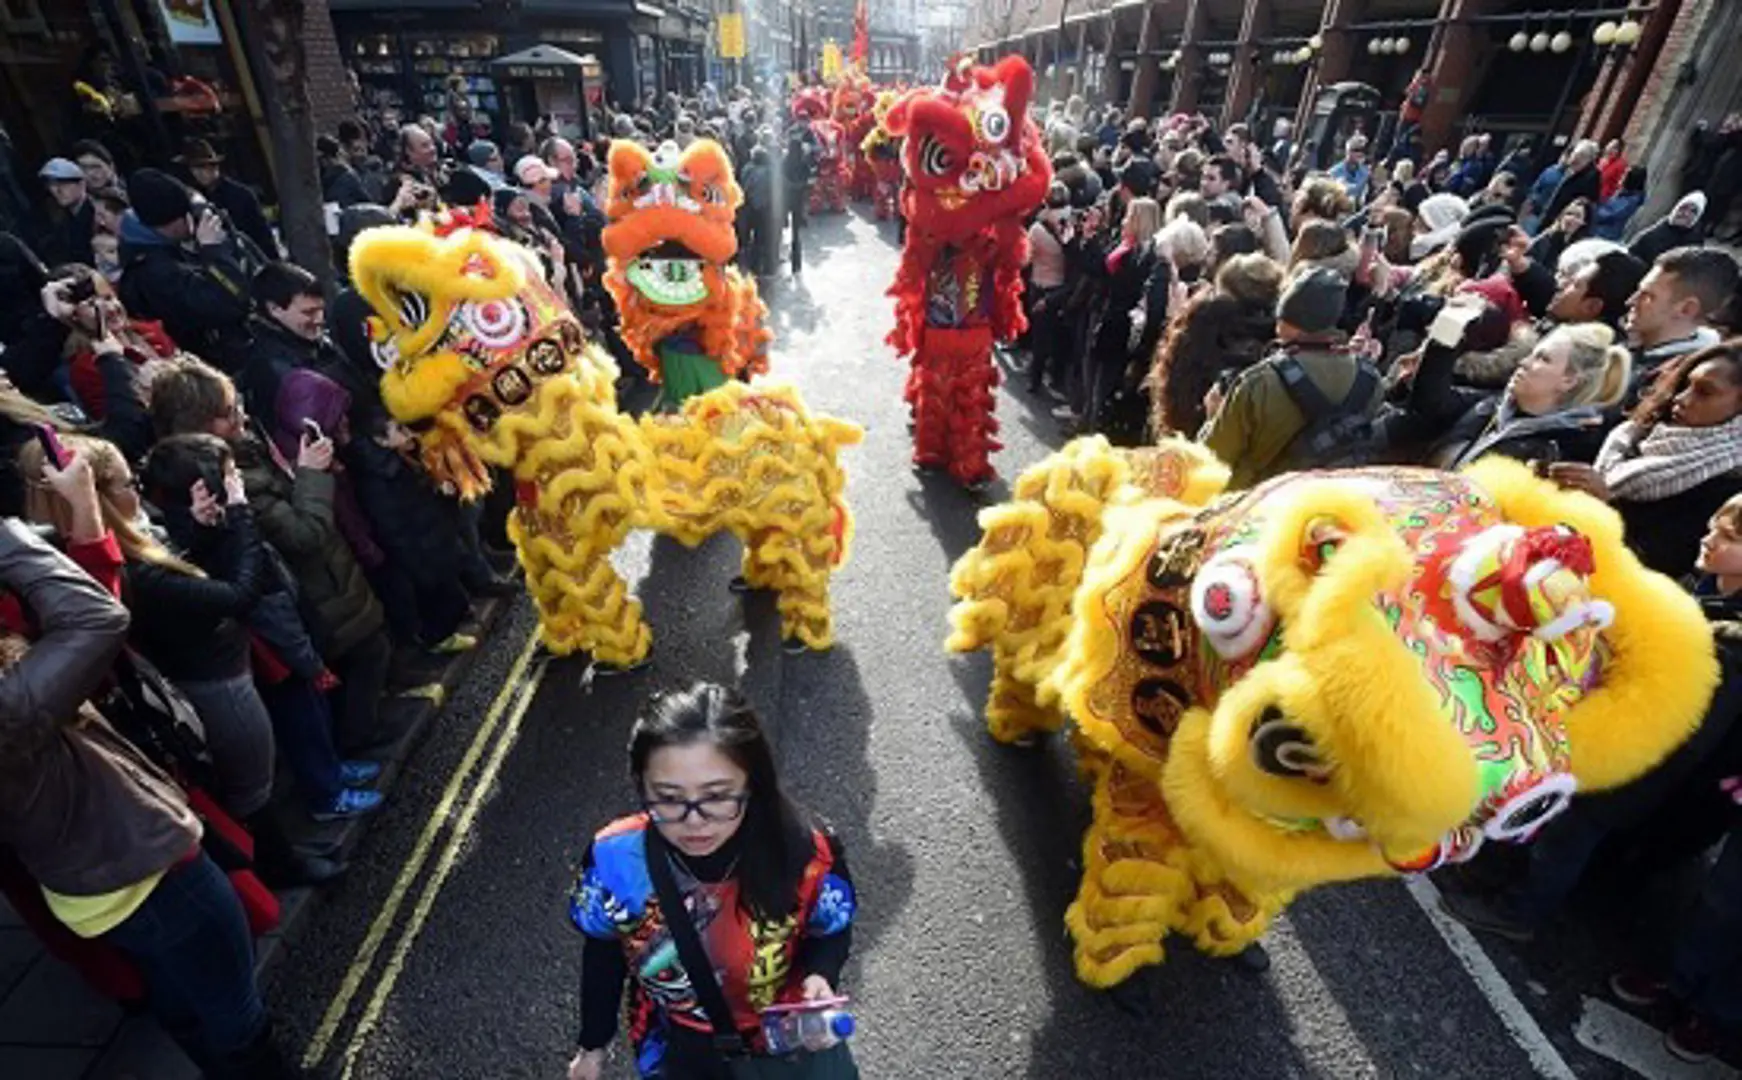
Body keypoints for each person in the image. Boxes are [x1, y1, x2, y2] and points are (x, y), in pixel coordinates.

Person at [0, 482, 297, 1078]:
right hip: (141, 870)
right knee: (234, 1008)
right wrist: (6, 537)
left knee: (182, 1001)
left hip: (88, 883)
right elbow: (95, 617)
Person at [567, 683, 857, 1080]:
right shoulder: (614, 859)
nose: (694, 821)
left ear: (752, 785)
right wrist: (593, 1045)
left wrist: (820, 977)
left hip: (787, 1041)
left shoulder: (808, 851)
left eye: (717, 796)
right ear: (641, 786)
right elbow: (603, 954)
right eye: (668, 798)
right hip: (679, 1050)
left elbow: (830, 930)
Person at [1549, 340, 1742, 577]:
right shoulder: (1636, 434)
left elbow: (1660, 568)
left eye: (1704, 392)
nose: (1681, 398)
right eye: (1685, 385)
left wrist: (1605, 505)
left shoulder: (1729, 486)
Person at [1199, 266, 1381, 488]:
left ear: (1285, 323)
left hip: (1266, 508)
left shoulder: (1258, 383)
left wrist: (1212, 417)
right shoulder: (1370, 378)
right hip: (1338, 504)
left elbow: (1211, 459)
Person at [117, 168, 253, 371]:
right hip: (212, 367)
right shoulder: (155, 273)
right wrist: (213, 251)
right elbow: (230, 304)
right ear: (172, 223)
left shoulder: (162, 251)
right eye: (188, 213)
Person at [1624, 246, 1738, 400]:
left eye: (1648, 296)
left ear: (1686, 309)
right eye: (1638, 291)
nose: (1630, 301)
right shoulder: (1632, 342)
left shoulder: (1670, 386)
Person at [178, 139, 278, 260]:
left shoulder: (240, 195)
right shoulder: (194, 198)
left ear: (216, 167)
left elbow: (262, 234)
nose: (200, 173)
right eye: (195, 168)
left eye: (206, 167)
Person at [36, 157, 96, 266]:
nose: (56, 190)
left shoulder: (98, 214)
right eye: (51, 185)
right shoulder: (61, 223)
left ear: (81, 184)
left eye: (63, 183)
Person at [1629, 192, 1709, 265]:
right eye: (1683, 208)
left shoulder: (1695, 243)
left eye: (1693, 211)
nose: (1686, 214)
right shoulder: (1653, 233)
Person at [1326, 134, 1372, 204]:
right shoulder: (1333, 173)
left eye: (1363, 151)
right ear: (1348, 151)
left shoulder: (1366, 173)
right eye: (1356, 150)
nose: (1360, 153)